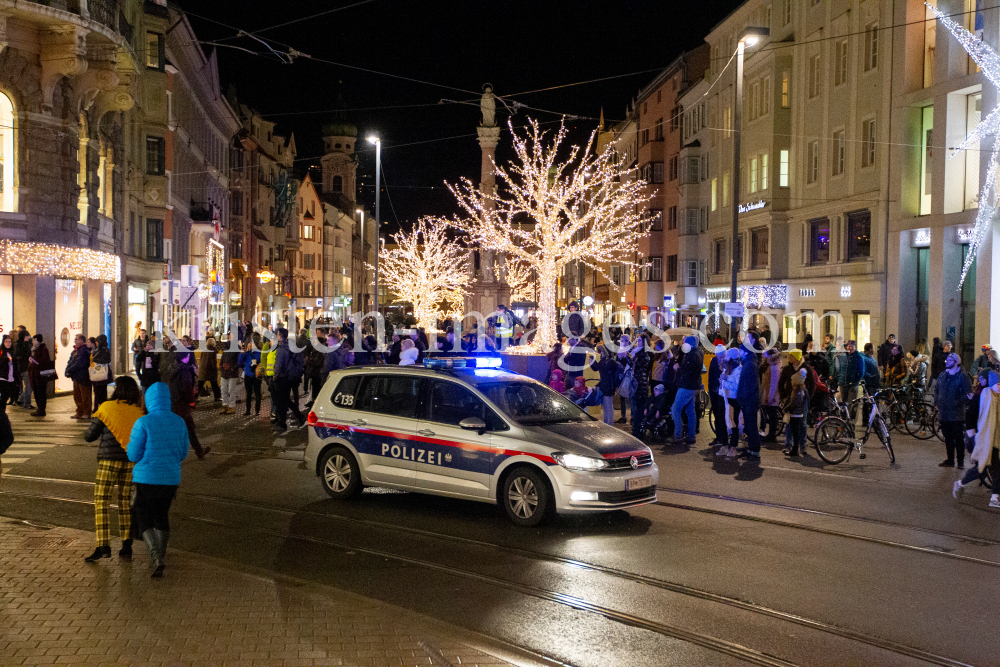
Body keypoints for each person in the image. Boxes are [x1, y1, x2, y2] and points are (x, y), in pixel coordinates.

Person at [128, 382, 190, 578]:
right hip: (170, 480)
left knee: (143, 514)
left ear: (148, 400)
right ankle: (160, 555)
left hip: (146, 478)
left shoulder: (143, 422)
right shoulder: (179, 421)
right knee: (161, 515)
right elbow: (183, 452)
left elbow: (133, 454)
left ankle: (156, 557)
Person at [82, 376, 144, 562]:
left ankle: (103, 545)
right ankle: (126, 544)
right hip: (129, 462)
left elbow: (89, 436)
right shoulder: (137, 412)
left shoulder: (106, 408)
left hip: (108, 461)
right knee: (125, 501)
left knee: (101, 501)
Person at [953, 371, 1000, 509]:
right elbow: (971, 417)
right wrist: (972, 436)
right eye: (998, 383)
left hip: (995, 440)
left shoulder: (997, 398)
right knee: (981, 470)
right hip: (982, 439)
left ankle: (994, 497)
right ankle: (960, 483)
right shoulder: (981, 397)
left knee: (997, 470)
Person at [160, 348, 210, 459]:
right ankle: (167, 453)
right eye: (187, 355)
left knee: (190, 428)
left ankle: (199, 450)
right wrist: (191, 400)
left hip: (175, 402)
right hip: (181, 404)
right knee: (178, 430)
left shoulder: (173, 368)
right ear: (185, 357)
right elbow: (186, 386)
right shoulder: (185, 370)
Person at [936, 352, 971, 468]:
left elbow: (968, 394)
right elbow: (936, 390)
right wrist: (937, 402)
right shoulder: (942, 375)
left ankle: (960, 461)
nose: (947, 362)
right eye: (947, 361)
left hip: (956, 414)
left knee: (958, 438)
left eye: (950, 361)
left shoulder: (962, 376)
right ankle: (950, 460)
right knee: (948, 438)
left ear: (956, 362)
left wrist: (957, 402)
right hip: (944, 413)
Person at [668, 336, 702, 445]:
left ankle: (678, 435)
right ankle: (690, 435)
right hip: (691, 385)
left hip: (686, 386)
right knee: (690, 411)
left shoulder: (693, 355)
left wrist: (678, 368)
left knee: (676, 409)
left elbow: (688, 371)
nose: (683, 344)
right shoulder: (696, 353)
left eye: (685, 342)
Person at [271, 328, 306, 435]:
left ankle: (282, 423)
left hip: (281, 378)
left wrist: (275, 378)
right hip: (288, 378)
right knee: (286, 400)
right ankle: (298, 417)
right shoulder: (288, 347)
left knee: (282, 401)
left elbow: (278, 366)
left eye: (277, 335)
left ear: (279, 336)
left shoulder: (281, 349)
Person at [735, 336, 762, 459]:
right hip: (748, 400)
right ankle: (750, 449)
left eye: (740, 350)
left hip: (750, 401)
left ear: (745, 352)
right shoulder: (748, 362)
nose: (739, 353)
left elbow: (749, 385)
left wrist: (743, 398)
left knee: (751, 427)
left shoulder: (750, 364)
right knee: (749, 427)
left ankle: (754, 451)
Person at [718, 348, 743, 457]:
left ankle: (733, 446)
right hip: (723, 397)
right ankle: (724, 445)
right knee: (722, 421)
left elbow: (736, 387)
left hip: (732, 399)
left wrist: (724, 382)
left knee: (733, 423)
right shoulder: (727, 367)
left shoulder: (739, 370)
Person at [65, 334, 93, 420]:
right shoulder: (76, 350)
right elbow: (71, 361)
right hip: (77, 376)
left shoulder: (83, 351)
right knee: (77, 396)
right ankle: (79, 412)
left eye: (76, 339)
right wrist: (68, 370)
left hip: (83, 376)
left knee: (85, 396)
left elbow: (79, 363)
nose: (75, 341)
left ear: (81, 341)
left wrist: (70, 370)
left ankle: (86, 412)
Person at [630, 334, 653, 439]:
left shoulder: (645, 353)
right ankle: (637, 429)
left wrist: (630, 357)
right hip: (637, 382)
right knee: (636, 408)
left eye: (639, 340)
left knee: (639, 408)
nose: (637, 342)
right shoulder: (638, 352)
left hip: (641, 383)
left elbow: (641, 366)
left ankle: (638, 431)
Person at [784, 370, 810, 457]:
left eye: (792, 380)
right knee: (796, 431)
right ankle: (795, 448)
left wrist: (786, 408)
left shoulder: (797, 390)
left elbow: (794, 403)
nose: (791, 382)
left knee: (795, 432)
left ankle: (795, 449)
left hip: (795, 414)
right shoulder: (803, 389)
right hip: (799, 413)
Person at [837, 340, 866, 418]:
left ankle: (850, 419)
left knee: (851, 403)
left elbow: (861, 371)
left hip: (852, 384)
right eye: (848, 346)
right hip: (843, 382)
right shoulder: (843, 356)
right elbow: (839, 368)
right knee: (843, 402)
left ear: (855, 347)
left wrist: (856, 381)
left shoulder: (858, 357)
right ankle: (843, 418)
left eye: (851, 346)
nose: (849, 348)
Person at [28, 334, 53, 417]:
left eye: (33, 340)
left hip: (40, 376)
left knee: (41, 393)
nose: (32, 342)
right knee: (36, 393)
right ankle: (39, 409)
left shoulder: (43, 349)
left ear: (37, 340)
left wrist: (34, 361)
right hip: (34, 375)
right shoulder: (34, 349)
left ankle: (42, 410)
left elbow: (44, 361)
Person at [593, 345, 619, 426]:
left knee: (607, 405)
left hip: (607, 385)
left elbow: (600, 369)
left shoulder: (607, 361)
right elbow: (598, 368)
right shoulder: (607, 361)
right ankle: (607, 422)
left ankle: (609, 423)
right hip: (607, 385)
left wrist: (593, 362)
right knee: (606, 405)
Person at [707, 344, 727, 447]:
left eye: (722, 356)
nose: (720, 358)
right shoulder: (714, 361)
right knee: (717, 415)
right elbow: (711, 376)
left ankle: (724, 438)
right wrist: (711, 390)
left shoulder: (728, 361)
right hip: (715, 392)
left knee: (722, 416)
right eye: (719, 356)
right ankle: (718, 436)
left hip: (724, 393)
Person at [238, 335, 263, 417]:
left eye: (251, 342)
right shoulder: (247, 352)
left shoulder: (259, 353)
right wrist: (242, 352)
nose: (249, 344)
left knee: (257, 393)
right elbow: (240, 362)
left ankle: (257, 410)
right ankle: (248, 410)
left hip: (256, 376)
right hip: (248, 375)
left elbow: (260, 362)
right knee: (248, 394)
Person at [219, 340, 241, 415]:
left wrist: (232, 368)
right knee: (223, 389)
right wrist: (221, 366)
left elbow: (239, 361)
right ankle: (225, 405)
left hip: (232, 372)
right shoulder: (225, 348)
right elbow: (222, 358)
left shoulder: (236, 349)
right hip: (225, 372)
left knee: (231, 390)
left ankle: (232, 406)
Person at [90, 334, 112, 409]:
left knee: (100, 392)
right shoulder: (101, 349)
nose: (96, 342)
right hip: (101, 374)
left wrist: (94, 358)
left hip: (101, 374)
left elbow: (104, 360)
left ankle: (101, 408)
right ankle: (98, 407)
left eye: (97, 341)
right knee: (99, 392)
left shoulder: (104, 350)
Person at [197, 331, 220, 402]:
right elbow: (213, 362)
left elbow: (201, 359)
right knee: (214, 384)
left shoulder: (204, 349)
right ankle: (217, 397)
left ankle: (194, 398)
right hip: (210, 370)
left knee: (199, 384)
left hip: (202, 369)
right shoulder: (213, 351)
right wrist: (216, 368)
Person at [14, 329, 32, 409]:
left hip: (20, 368)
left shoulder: (17, 345)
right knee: (28, 386)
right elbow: (26, 354)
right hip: (25, 368)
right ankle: (26, 403)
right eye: (27, 336)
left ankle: (20, 399)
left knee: (27, 386)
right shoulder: (25, 345)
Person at [0, 335, 17, 412]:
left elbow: (15, 365)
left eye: (9, 342)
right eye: (6, 342)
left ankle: (2, 412)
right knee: (4, 396)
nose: (8, 343)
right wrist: (5, 360)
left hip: (11, 377)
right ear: (3, 342)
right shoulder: (1, 351)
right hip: (3, 377)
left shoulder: (12, 352)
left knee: (7, 396)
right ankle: (2, 413)